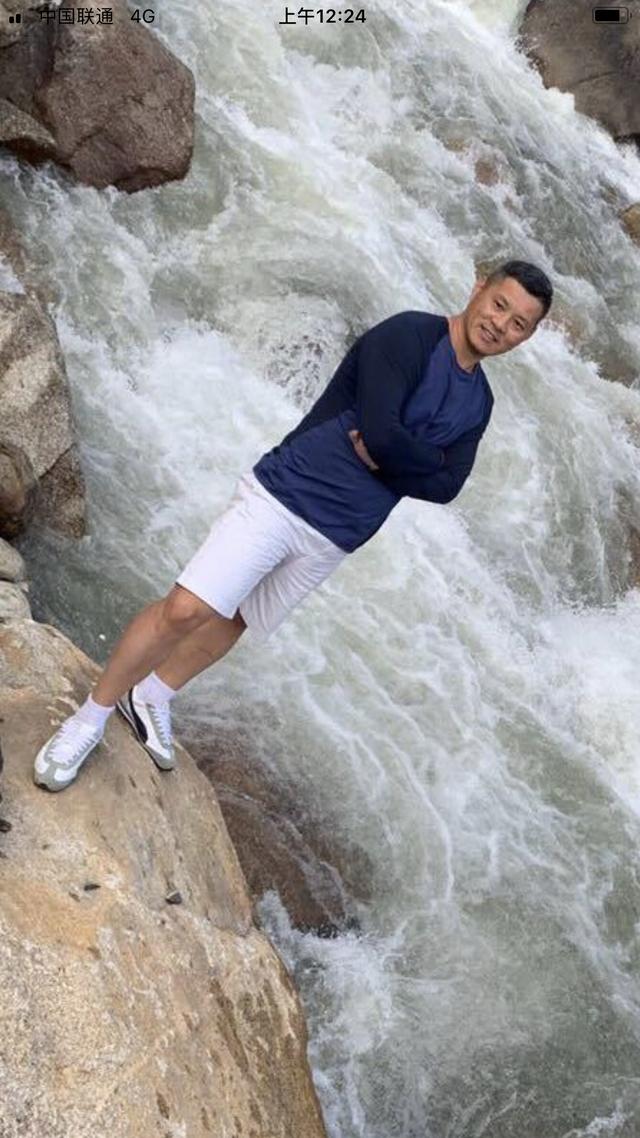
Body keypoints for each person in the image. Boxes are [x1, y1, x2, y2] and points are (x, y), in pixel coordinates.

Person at [34, 260, 553, 791]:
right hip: (285, 495)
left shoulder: (479, 402)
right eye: (499, 305)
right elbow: (384, 434)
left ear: (527, 337)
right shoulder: (409, 336)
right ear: (479, 288)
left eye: (518, 323)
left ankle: (150, 696)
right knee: (188, 608)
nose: (500, 324)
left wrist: (392, 456)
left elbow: (447, 486)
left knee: (238, 619)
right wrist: (418, 456)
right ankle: (89, 719)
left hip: (337, 535)